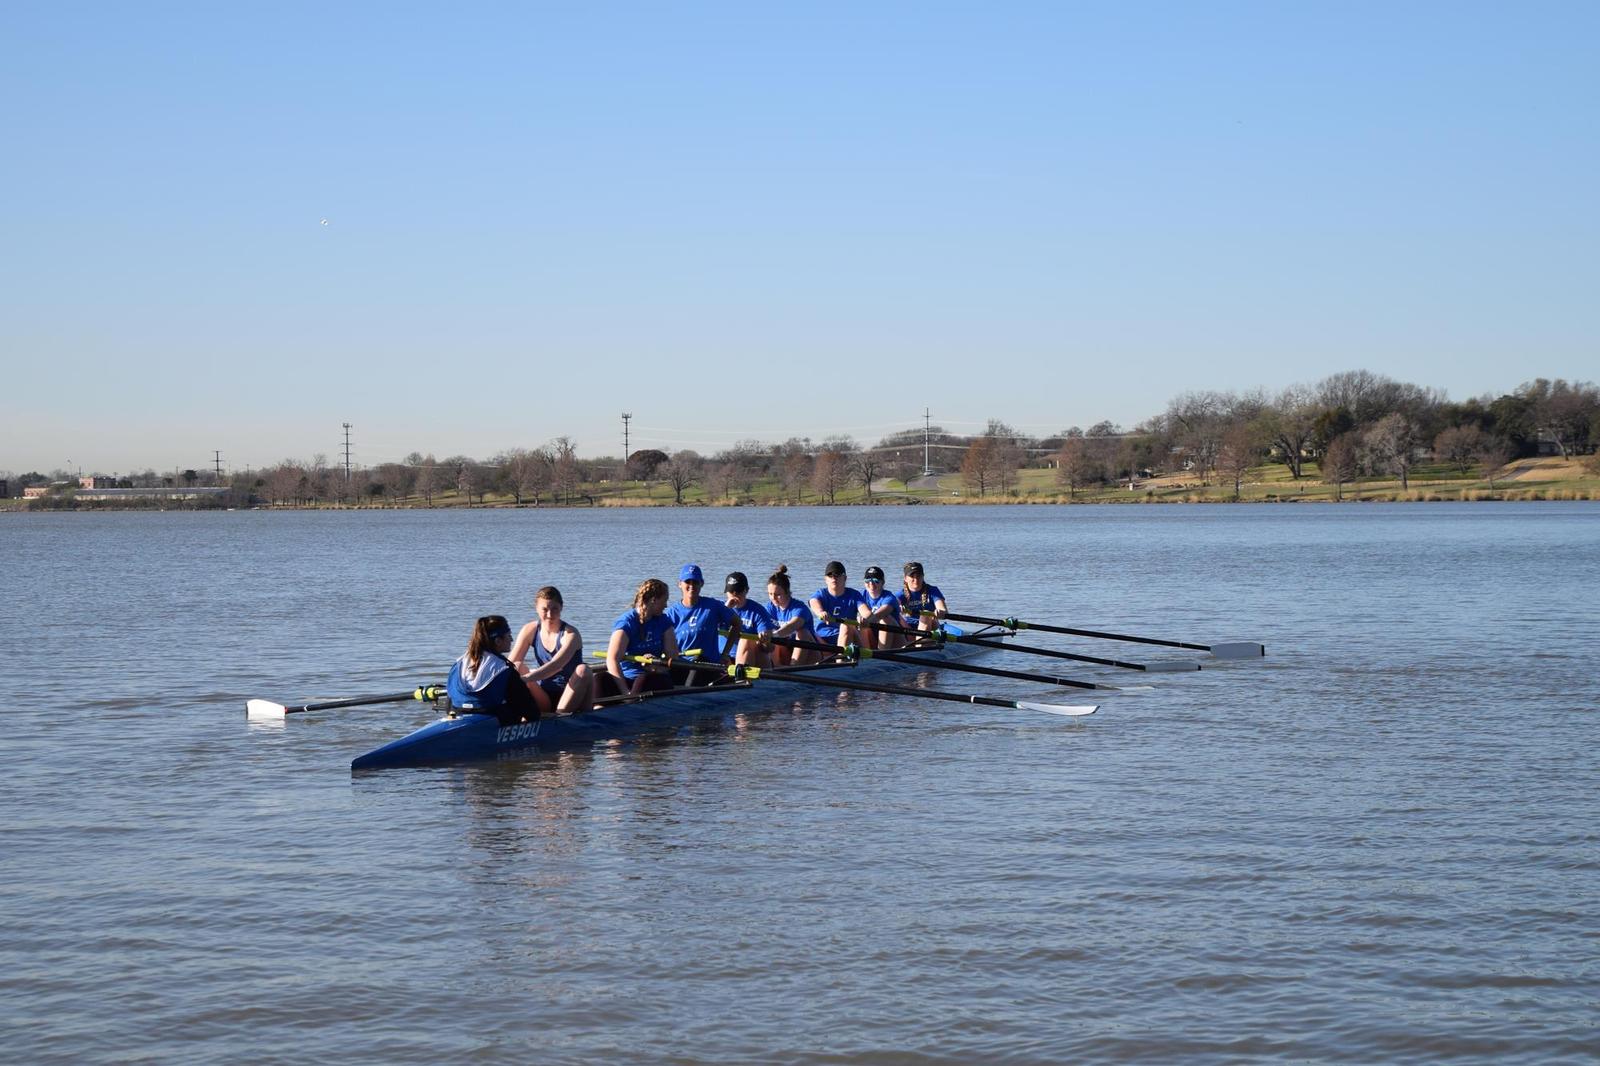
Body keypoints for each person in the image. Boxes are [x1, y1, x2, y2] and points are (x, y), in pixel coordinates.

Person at [508, 586, 593, 715]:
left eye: (554, 609)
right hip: (543, 696)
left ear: (561, 608)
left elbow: (556, 666)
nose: (550, 615)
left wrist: (526, 679)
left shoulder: (571, 634)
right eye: (545, 609)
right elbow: (509, 664)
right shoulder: (529, 630)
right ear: (536, 608)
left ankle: (559, 717)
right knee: (517, 667)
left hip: (571, 693)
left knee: (583, 670)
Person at [446, 615, 541, 725]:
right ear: (498, 641)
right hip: (493, 722)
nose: (511, 639)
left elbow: (449, 704)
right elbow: (532, 712)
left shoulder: (458, 664)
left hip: (457, 715)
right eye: (508, 634)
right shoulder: (503, 668)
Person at [597, 578, 680, 699]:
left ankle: (630, 703)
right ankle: (598, 709)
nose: (666, 605)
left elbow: (673, 660)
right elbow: (612, 660)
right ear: (654, 600)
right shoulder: (626, 622)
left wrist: (655, 667)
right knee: (599, 678)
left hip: (652, 679)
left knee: (644, 677)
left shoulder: (664, 622)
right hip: (625, 680)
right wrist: (625, 692)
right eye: (664, 601)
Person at [666, 563, 743, 685]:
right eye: (688, 582)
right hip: (680, 663)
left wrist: (725, 654)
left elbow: (737, 623)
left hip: (708, 666)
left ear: (701, 583)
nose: (692, 586)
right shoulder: (671, 613)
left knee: (698, 660)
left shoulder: (713, 606)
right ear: (680, 584)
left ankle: (687, 694)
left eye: (695, 582)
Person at [721, 571, 777, 668]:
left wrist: (765, 642)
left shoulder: (758, 611)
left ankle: (740, 679)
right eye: (731, 592)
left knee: (746, 640)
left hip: (752, 660)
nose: (734, 595)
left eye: (738, 592)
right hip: (723, 659)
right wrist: (725, 610)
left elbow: (769, 648)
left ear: (746, 590)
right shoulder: (719, 608)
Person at [765, 564, 818, 666]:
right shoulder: (770, 607)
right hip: (787, 650)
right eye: (770, 594)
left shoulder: (799, 608)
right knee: (768, 634)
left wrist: (774, 635)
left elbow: (792, 626)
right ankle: (776, 669)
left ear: (787, 592)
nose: (773, 598)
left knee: (802, 632)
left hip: (810, 653)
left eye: (777, 594)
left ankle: (794, 668)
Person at [809, 560, 868, 649]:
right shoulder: (821, 594)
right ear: (825, 579)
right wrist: (821, 612)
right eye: (830, 575)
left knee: (845, 626)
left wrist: (864, 618)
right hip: (823, 638)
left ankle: (841, 660)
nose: (834, 578)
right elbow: (813, 602)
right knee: (803, 632)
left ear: (845, 578)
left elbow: (865, 611)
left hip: (847, 636)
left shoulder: (854, 595)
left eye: (837, 575)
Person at [858, 565, 905, 649]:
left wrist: (865, 620)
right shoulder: (860, 596)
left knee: (885, 619)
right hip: (872, 636)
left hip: (895, 639)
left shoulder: (889, 598)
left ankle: (882, 654)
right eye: (868, 580)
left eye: (876, 581)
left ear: (883, 582)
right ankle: (864, 656)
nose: (871, 583)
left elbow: (879, 615)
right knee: (859, 620)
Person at [898, 561, 948, 633]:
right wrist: (897, 607)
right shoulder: (900, 594)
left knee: (925, 615)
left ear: (923, 576)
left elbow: (943, 610)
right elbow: (894, 603)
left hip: (930, 625)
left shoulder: (933, 591)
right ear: (905, 578)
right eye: (912, 576)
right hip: (909, 628)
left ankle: (921, 643)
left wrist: (940, 612)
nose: (916, 579)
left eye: (918, 576)